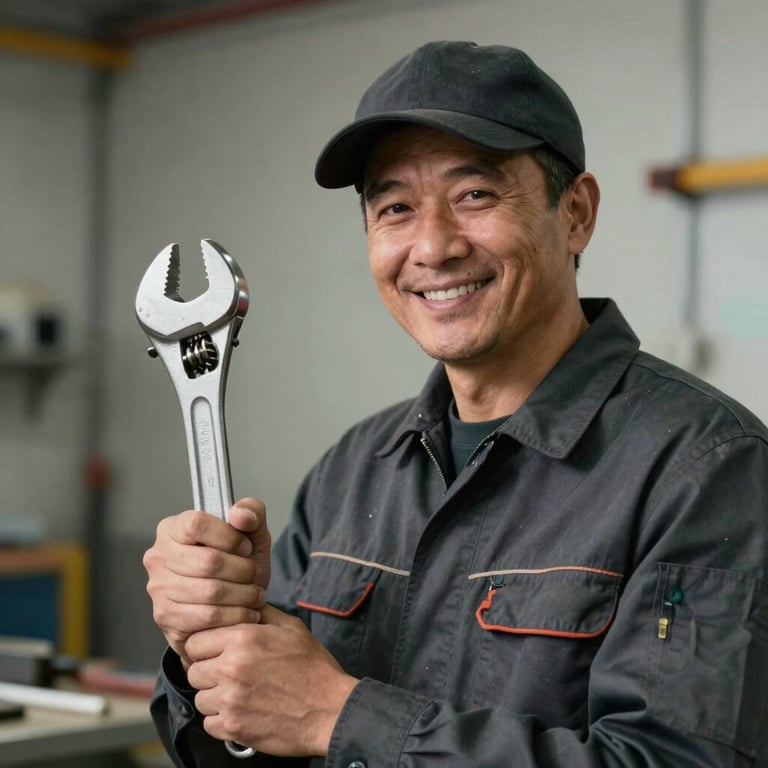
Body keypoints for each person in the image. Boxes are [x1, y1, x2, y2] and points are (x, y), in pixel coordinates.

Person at [144, 41, 768, 767]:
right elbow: (253, 745)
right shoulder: (352, 472)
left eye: (475, 195)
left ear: (576, 214)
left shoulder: (705, 470)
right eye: (396, 208)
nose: (433, 246)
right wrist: (206, 650)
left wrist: (341, 716)